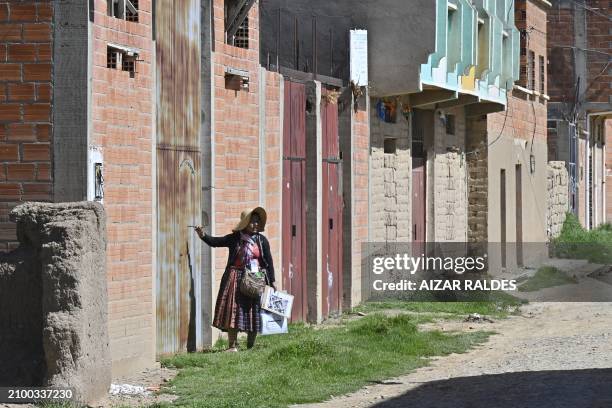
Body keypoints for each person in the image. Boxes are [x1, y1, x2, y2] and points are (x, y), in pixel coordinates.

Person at [194, 207, 275, 351]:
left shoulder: (261, 241)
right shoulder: (235, 238)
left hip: (256, 278)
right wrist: (203, 235)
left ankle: (250, 345)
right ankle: (232, 345)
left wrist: (272, 280)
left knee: (254, 310)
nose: (256, 225)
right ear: (245, 223)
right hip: (236, 277)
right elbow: (216, 242)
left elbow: (268, 260)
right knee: (234, 310)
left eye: (257, 222)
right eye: (252, 222)